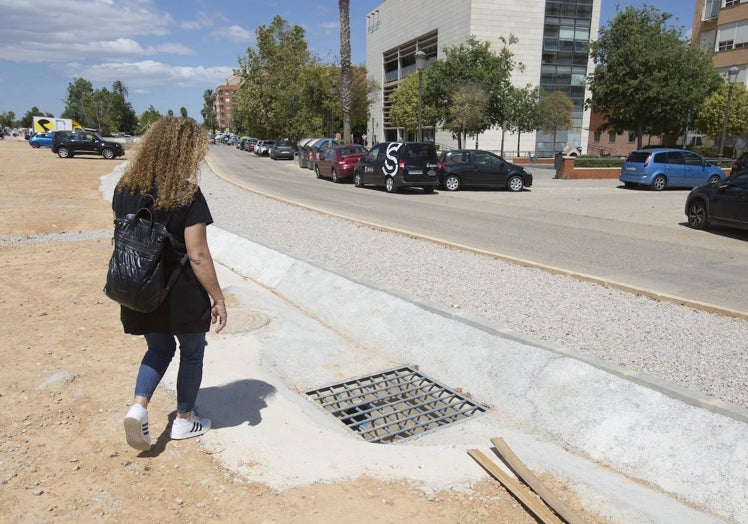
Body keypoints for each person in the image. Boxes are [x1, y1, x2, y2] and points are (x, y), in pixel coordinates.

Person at [113, 117, 227, 451]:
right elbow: (198, 255)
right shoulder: (186, 193)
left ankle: (139, 406)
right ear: (186, 152)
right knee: (192, 353)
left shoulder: (124, 189)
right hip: (182, 292)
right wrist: (218, 299)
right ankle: (183, 420)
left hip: (141, 287)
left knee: (158, 347)